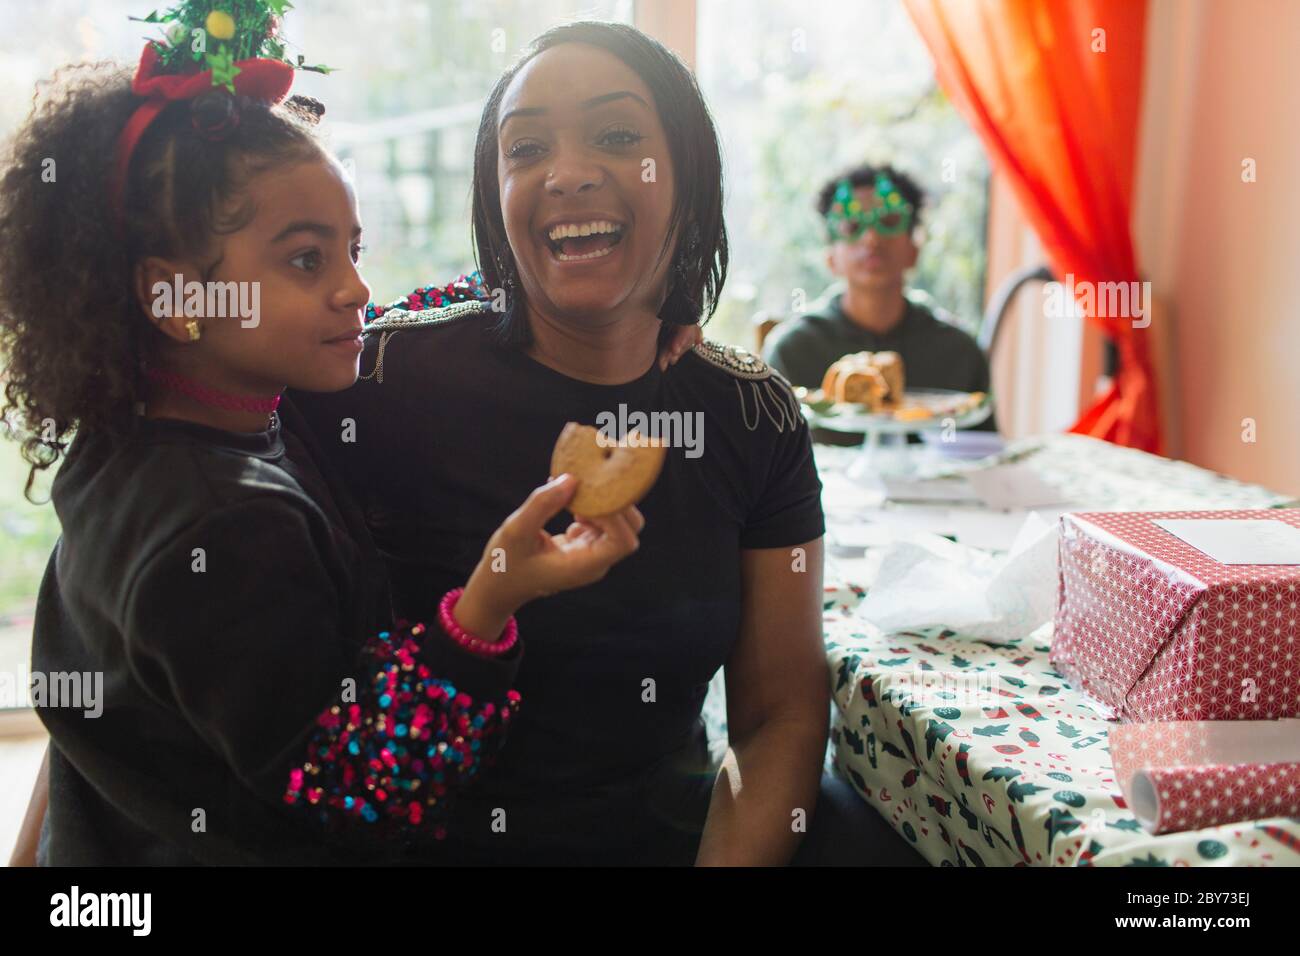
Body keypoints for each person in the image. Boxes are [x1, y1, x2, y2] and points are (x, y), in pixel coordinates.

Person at [0, 7, 655, 865]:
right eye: (308, 260)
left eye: (353, 248)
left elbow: (389, 320)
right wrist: (493, 595)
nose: (355, 289)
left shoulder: (164, 422)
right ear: (175, 297)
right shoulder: (222, 526)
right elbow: (360, 787)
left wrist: (554, 296)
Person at [290, 21, 841, 866]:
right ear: (494, 192)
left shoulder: (751, 415)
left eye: (617, 136)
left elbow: (779, 718)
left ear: (686, 176)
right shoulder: (384, 376)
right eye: (527, 147)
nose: (570, 172)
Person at [762, 163, 993, 432]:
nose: (872, 238)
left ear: (914, 250)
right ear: (830, 257)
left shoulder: (958, 352)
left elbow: (984, 456)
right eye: (852, 226)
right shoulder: (793, 350)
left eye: (889, 222)